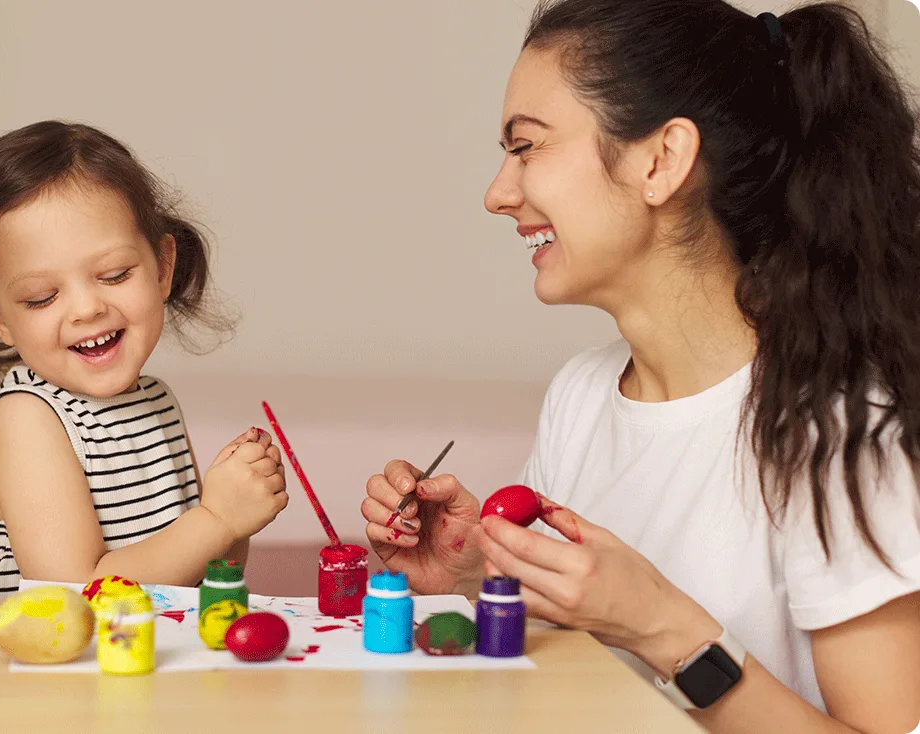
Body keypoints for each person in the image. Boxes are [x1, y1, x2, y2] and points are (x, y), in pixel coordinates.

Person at [362, 1, 920, 728]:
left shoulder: (838, 429)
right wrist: (476, 578)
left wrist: (662, 626)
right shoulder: (582, 398)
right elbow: (578, 684)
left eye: (527, 147)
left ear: (661, 161)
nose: (498, 194)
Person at [0, 121, 288, 599]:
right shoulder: (25, 419)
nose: (86, 309)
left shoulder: (156, 401)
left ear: (163, 267)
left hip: (133, 660)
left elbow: (189, 572)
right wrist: (216, 518)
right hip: (28, 668)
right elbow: (79, 592)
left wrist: (235, 516)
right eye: (41, 297)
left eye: (114, 274)